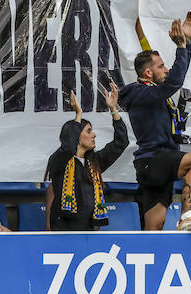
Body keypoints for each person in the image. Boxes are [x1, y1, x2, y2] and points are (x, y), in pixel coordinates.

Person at [121, 12, 191, 231]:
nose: (166, 69)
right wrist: (180, 47)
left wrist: (187, 44)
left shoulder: (155, 91)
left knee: (154, 230)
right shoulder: (137, 92)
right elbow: (174, 82)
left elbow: (175, 78)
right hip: (154, 160)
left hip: (157, 166)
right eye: (161, 66)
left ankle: (148, 259)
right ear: (148, 72)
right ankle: (187, 215)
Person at [45, 87, 129, 231]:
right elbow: (68, 148)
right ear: (77, 136)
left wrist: (113, 109)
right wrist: (78, 114)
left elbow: (121, 142)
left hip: (89, 229)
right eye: (89, 131)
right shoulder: (59, 160)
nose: (94, 135)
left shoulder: (94, 161)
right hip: (64, 230)